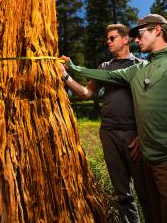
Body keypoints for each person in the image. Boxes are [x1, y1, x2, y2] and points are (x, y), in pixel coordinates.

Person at [61, 14, 167, 223]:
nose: (136, 39)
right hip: (148, 164)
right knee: (153, 213)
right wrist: (72, 69)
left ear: (157, 30)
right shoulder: (138, 70)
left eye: (140, 34)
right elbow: (105, 76)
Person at [59, 24, 154, 223]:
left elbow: (150, 103)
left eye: (112, 38)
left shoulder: (141, 65)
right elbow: (86, 93)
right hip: (108, 133)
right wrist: (65, 76)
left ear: (126, 39)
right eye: (107, 39)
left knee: (146, 191)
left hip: (133, 135)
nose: (108, 42)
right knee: (122, 193)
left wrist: (141, 135)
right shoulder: (104, 67)